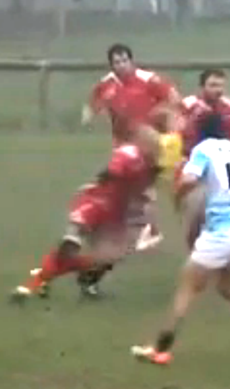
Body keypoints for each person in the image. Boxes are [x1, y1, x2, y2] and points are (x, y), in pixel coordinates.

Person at [131, 113, 230, 366]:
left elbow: (189, 179)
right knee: (228, 287)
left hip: (221, 233)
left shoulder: (204, 149)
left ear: (200, 132)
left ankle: (160, 350)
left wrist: (177, 197)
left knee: (187, 288)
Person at [10, 121, 164, 302]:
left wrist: (148, 221)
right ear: (141, 141)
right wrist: (108, 180)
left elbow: (143, 196)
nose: (157, 148)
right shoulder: (130, 154)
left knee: (109, 256)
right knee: (70, 246)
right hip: (96, 203)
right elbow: (113, 171)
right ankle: (34, 283)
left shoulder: (149, 168)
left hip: (115, 215)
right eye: (153, 143)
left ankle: (71, 279)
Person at [81, 43, 182, 277]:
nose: (121, 65)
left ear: (131, 60)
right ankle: (143, 230)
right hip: (122, 144)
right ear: (111, 65)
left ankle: (148, 230)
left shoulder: (148, 79)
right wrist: (88, 116)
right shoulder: (106, 85)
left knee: (140, 185)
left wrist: (164, 118)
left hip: (147, 141)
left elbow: (173, 97)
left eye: (125, 60)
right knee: (129, 188)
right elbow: (92, 104)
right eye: (116, 62)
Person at [180, 69, 230, 155]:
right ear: (202, 86)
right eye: (213, 85)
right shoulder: (188, 105)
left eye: (221, 86)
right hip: (193, 156)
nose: (218, 90)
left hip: (223, 157)